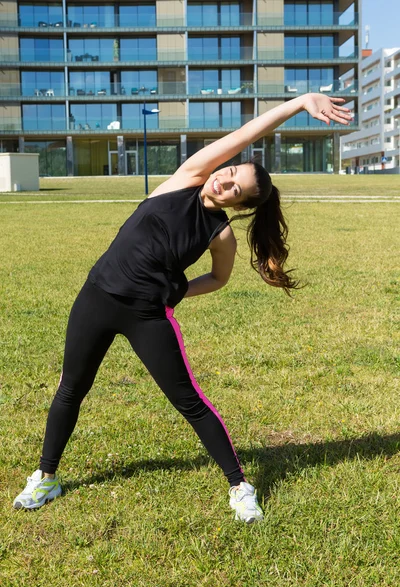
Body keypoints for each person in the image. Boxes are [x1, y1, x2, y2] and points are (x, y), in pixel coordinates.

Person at [13, 93, 351, 522]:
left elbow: (219, 279)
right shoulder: (188, 176)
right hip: (95, 297)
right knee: (70, 389)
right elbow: (246, 132)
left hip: (147, 316)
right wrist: (301, 102)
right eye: (228, 172)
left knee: (189, 401)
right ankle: (46, 476)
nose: (223, 182)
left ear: (240, 205)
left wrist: (175, 294)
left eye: (234, 189)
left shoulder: (220, 235)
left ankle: (239, 486)